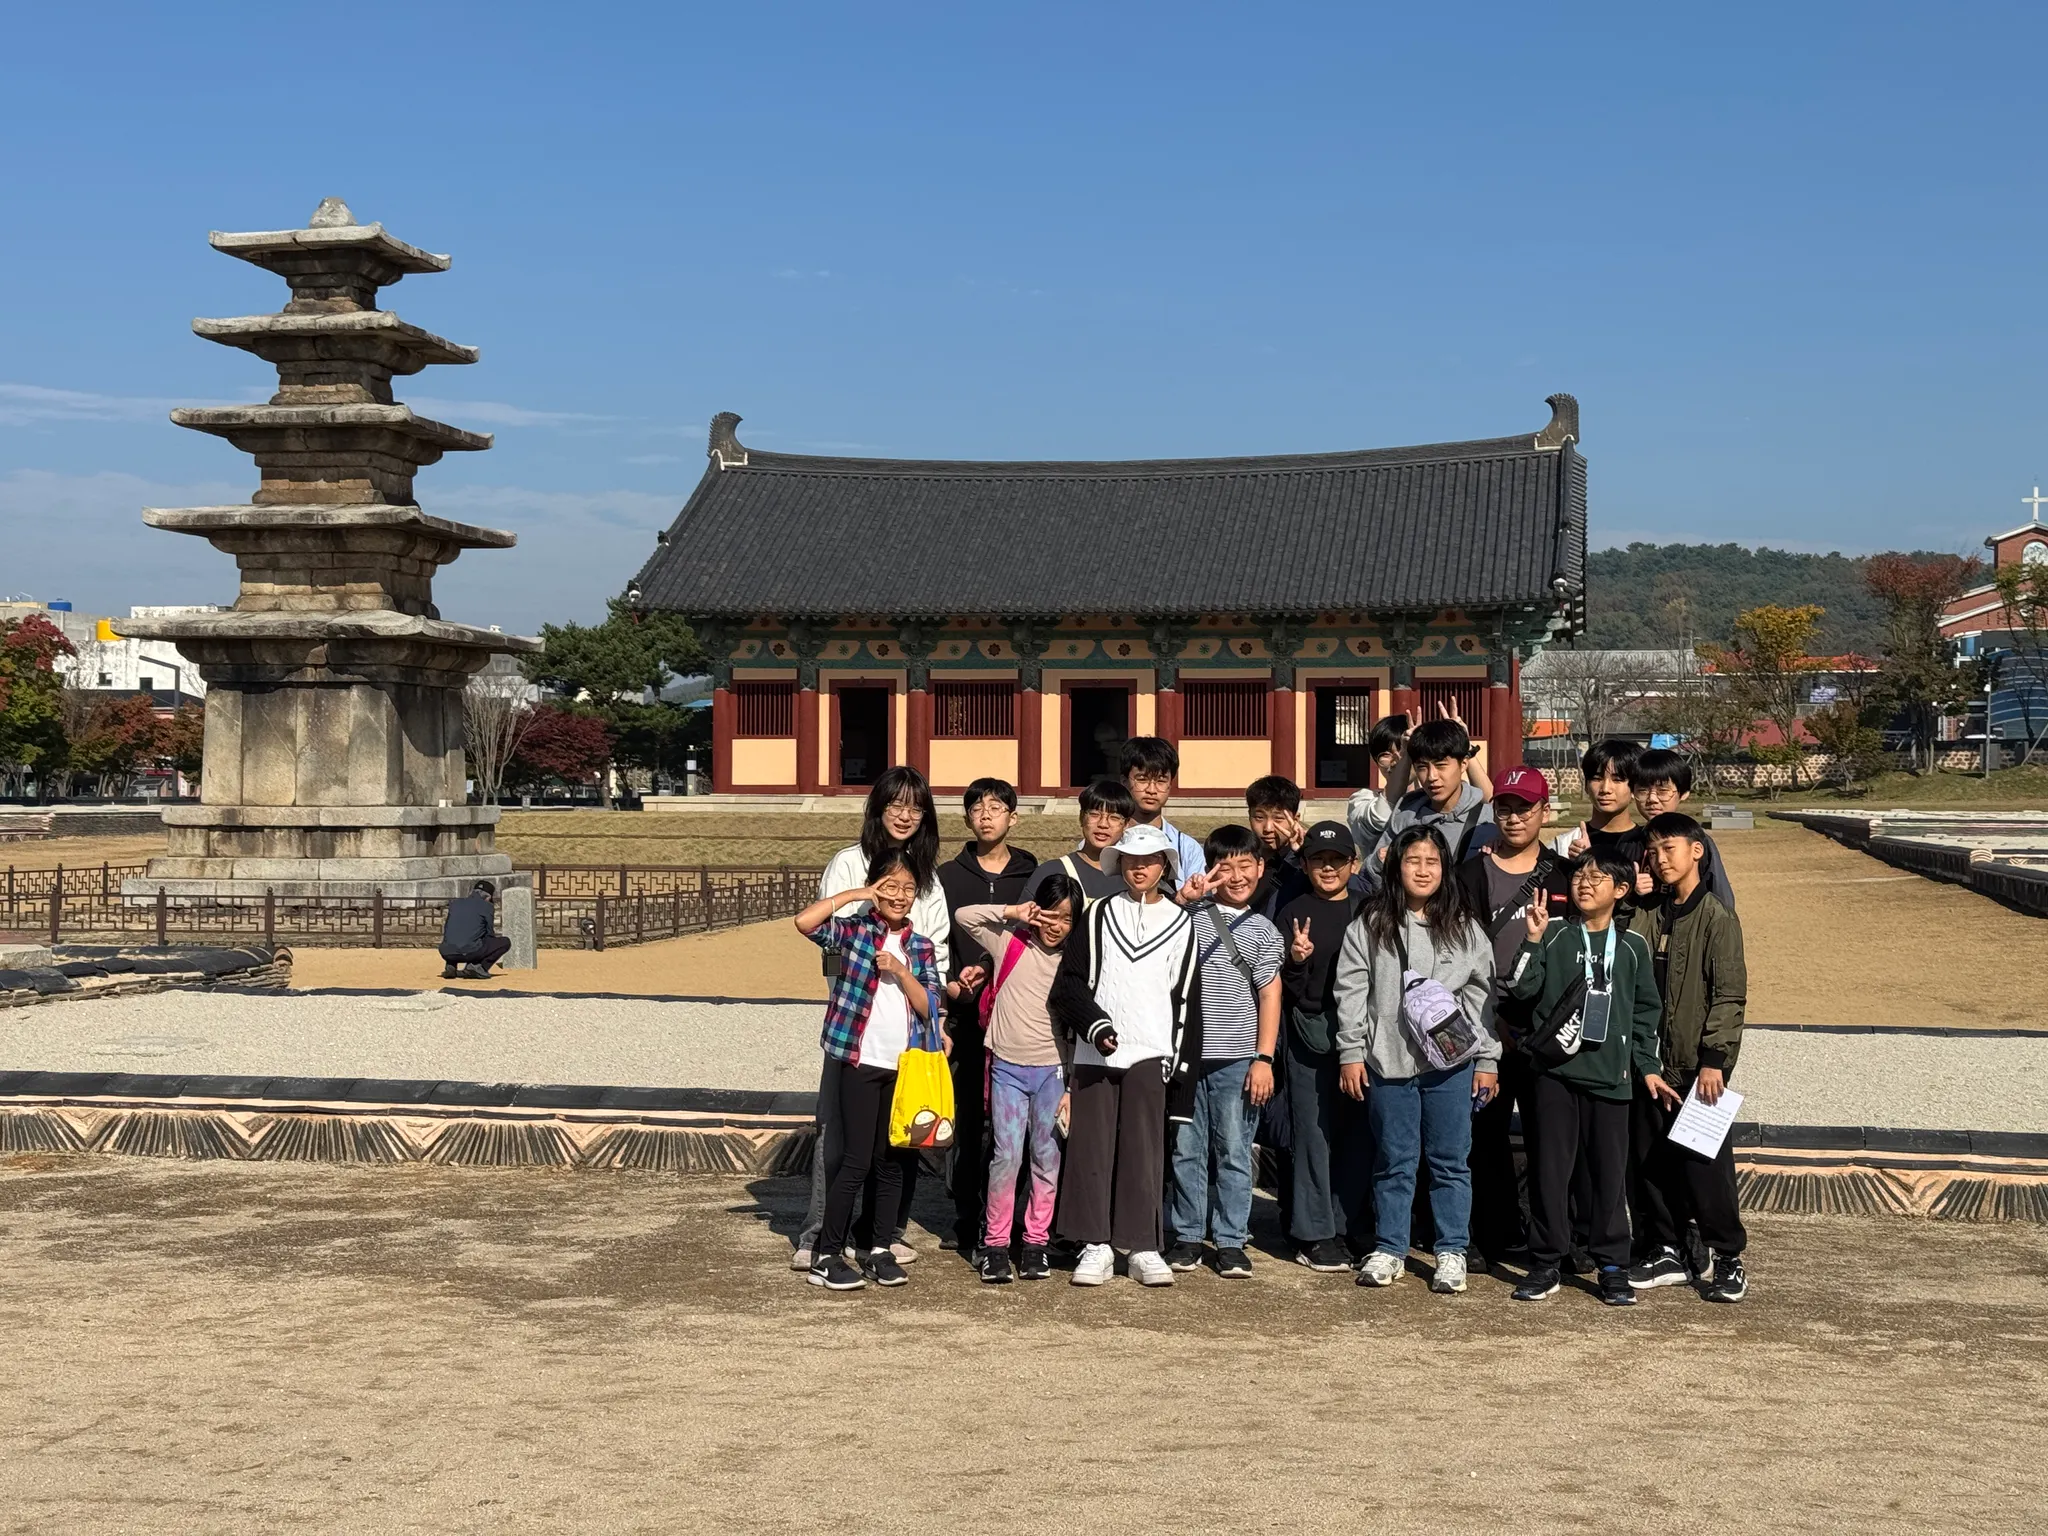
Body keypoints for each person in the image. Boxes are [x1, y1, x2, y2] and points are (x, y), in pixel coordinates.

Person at [792, 767, 951, 1273]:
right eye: (895, 805)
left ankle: (881, 1237)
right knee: (841, 1141)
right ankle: (820, 1237)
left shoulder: (929, 881)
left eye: (916, 807)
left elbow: (934, 959)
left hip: (908, 1037)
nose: (905, 815)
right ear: (878, 808)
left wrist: (934, 1017)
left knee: (897, 1146)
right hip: (855, 1031)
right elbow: (819, 931)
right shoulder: (849, 865)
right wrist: (862, 895)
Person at [1505, 852, 1678, 1306]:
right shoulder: (1555, 933)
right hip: (1554, 1074)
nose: (1584, 883)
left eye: (1597, 877)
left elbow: (1646, 1014)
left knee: (1607, 1177)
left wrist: (1648, 1067)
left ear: (1621, 890)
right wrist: (1531, 939)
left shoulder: (1633, 946)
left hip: (1611, 1077)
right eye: (1580, 875)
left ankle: (1613, 1266)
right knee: (1549, 1171)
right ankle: (1546, 1262)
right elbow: (1520, 988)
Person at [1334, 824, 1498, 1294]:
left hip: (1451, 1066)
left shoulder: (1465, 928)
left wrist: (1488, 1059)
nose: (1423, 870)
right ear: (1396, 867)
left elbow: (1484, 998)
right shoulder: (1370, 924)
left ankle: (1452, 1250)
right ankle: (1390, 1247)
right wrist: (1351, 1052)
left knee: (1450, 1161)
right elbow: (1351, 990)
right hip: (1388, 1061)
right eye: (1413, 860)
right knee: (1394, 1159)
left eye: (1432, 861)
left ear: (1445, 868)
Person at [1049, 823, 1203, 1288]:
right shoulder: (1097, 914)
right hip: (1095, 1053)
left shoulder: (1182, 924)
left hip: (1151, 1052)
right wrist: (1095, 1026)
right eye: (1132, 861)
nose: (1140, 869)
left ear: (1165, 867)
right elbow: (1068, 983)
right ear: (1119, 865)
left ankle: (1142, 1246)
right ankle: (1094, 1244)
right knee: (1090, 1147)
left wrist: (1180, 1068)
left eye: (1150, 861)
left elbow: (1186, 1000)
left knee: (1144, 1150)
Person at [1453, 764, 1574, 1270]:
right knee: (1484, 1134)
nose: (1514, 817)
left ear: (1544, 811)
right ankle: (1492, 1232)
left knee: (1554, 1140)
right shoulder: (1469, 875)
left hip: (1548, 1027)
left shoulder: (1566, 875)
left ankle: (1558, 1239)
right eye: (1504, 807)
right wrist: (1487, 1020)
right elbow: (1457, 953)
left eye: (1525, 808)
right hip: (1487, 1022)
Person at [1627, 812, 1751, 1303]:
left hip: (1697, 1066)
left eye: (1669, 848)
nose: (1660, 859)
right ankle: (1668, 1249)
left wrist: (1715, 1059)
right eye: (1653, 851)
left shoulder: (1717, 917)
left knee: (1705, 1165)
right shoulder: (1650, 912)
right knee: (1650, 1162)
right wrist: (1632, 899)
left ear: (1696, 851)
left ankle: (1728, 1256)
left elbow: (1729, 994)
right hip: (1649, 1065)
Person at [1164, 824, 1284, 1278]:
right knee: (1186, 1149)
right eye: (1225, 867)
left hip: (1237, 1058)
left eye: (1245, 866)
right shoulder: (1188, 916)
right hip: (1186, 1055)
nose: (1236, 877)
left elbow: (1270, 994)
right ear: (1209, 869)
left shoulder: (1263, 930)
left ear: (1260, 868)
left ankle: (1232, 1239)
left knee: (1234, 1149)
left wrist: (1263, 1059)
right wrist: (1184, 899)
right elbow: (1158, 936)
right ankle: (1188, 1235)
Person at [952, 873, 1080, 1283]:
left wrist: (1072, 1084)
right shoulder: (1009, 943)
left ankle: (1036, 1243)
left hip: (1052, 1072)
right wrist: (1013, 912)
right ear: (1036, 910)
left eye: (1066, 918)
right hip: (1006, 1067)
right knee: (1006, 1157)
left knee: (1047, 1157)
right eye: (1050, 914)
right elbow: (965, 916)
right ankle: (995, 1245)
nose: (1056, 925)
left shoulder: (1076, 961)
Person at [935, 777, 1040, 1253]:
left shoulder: (1031, 872)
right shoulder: (947, 876)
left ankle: (1010, 1218)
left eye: (996, 808)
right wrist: (951, 985)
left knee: (1012, 1123)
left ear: (1013, 818)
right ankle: (966, 1214)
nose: (986, 815)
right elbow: (937, 939)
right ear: (967, 819)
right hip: (964, 1012)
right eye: (977, 808)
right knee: (968, 1119)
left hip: (1015, 1016)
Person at [1275, 820, 1372, 1271]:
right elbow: (1283, 988)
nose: (1328, 868)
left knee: (1358, 1133)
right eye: (1318, 860)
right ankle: (1314, 1232)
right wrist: (1296, 960)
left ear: (1354, 863)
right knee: (1313, 1134)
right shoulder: (1292, 910)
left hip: (1364, 1036)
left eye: (1337, 860)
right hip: (1308, 1034)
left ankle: (1352, 1225)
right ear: (1304, 864)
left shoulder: (1368, 908)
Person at [1347, 706, 1494, 858]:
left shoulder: (1436, 796)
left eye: (1402, 751)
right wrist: (1406, 758)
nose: (1395, 760)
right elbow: (1380, 819)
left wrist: (1462, 744)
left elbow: (1492, 805)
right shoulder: (1362, 800)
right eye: (1385, 755)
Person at [1629, 748, 1736, 910]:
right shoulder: (1630, 841)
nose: (1652, 799)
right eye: (1643, 791)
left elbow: (1721, 896)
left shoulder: (1697, 841)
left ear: (1683, 793)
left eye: (1663, 791)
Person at [1022, 776, 1134, 905]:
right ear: (1081, 817)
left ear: (1126, 825)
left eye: (1114, 817)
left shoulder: (1134, 878)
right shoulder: (1052, 871)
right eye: (1094, 814)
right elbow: (1023, 915)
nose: (1103, 824)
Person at [1120, 736, 1207, 883]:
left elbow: (1199, 895)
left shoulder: (1187, 848)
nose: (1151, 790)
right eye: (1142, 779)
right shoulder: (1108, 841)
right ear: (1124, 782)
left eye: (1161, 780)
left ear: (1170, 784)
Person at [438, 880, 510, 978]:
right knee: (505, 942)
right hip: (470, 951)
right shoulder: (487, 906)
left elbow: (448, 928)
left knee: (456, 937)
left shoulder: (455, 903)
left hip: (446, 952)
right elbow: (489, 933)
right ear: (488, 897)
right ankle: (478, 968)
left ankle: (451, 965)